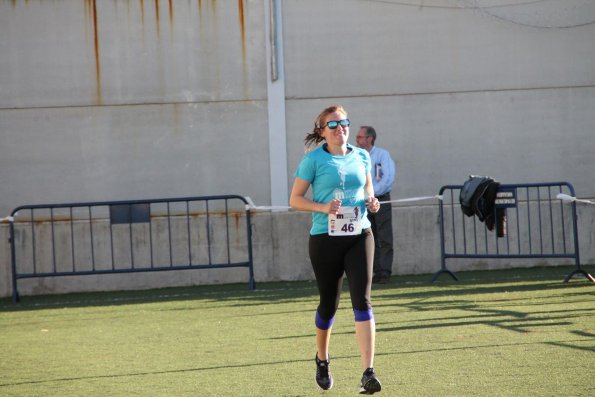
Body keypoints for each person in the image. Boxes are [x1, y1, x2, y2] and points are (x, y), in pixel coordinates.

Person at [289, 105, 382, 394]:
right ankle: (322, 359)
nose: (341, 128)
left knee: (362, 301)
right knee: (329, 304)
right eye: (333, 124)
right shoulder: (313, 161)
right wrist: (322, 208)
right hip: (325, 238)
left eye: (344, 123)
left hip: (359, 234)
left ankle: (368, 372)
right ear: (322, 131)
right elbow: (295, 199)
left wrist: (372, 201)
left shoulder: (362, 156)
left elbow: (369, 191)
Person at [355, 126, 396, 285]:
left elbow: (388, 178)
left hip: (381, 199)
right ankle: (375, 271)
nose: (357, 140)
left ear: (369, 138)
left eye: (360, 137)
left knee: (385, 236)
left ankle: (385, 272)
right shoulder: (356, 156)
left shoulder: (382, 155)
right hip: (363, 202)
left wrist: (372, 195)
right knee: (369, 236)